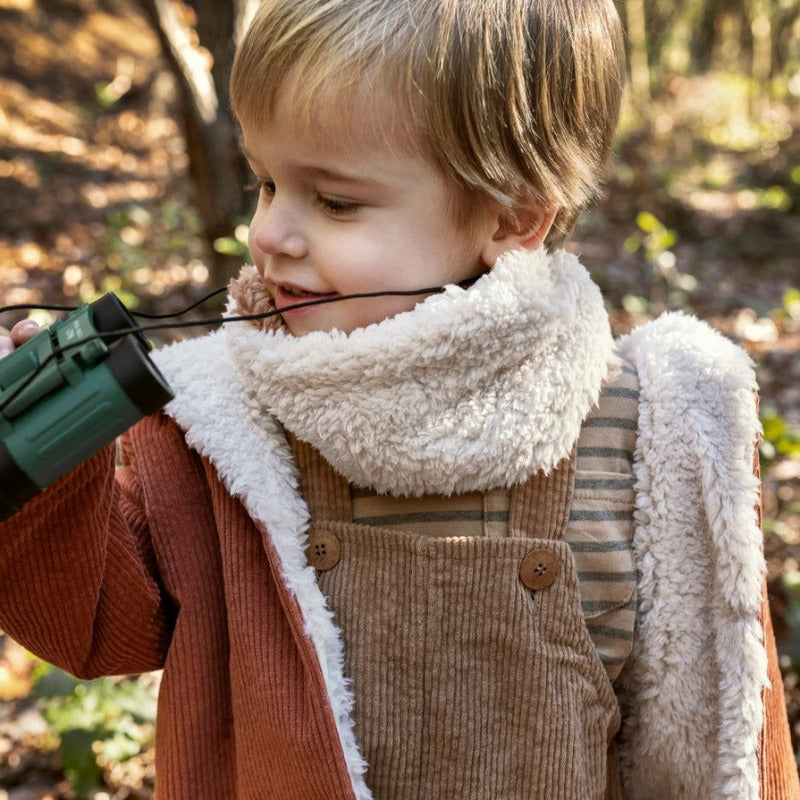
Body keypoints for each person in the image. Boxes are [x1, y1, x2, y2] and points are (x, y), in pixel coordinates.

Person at [0, 0, 797, 797]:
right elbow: (95, 618)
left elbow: (728, 736)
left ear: (513, 215)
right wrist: (39, 455)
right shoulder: (220, 428)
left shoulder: (642, 440)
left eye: (336, 201)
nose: (270, 233)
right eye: (267, 182)